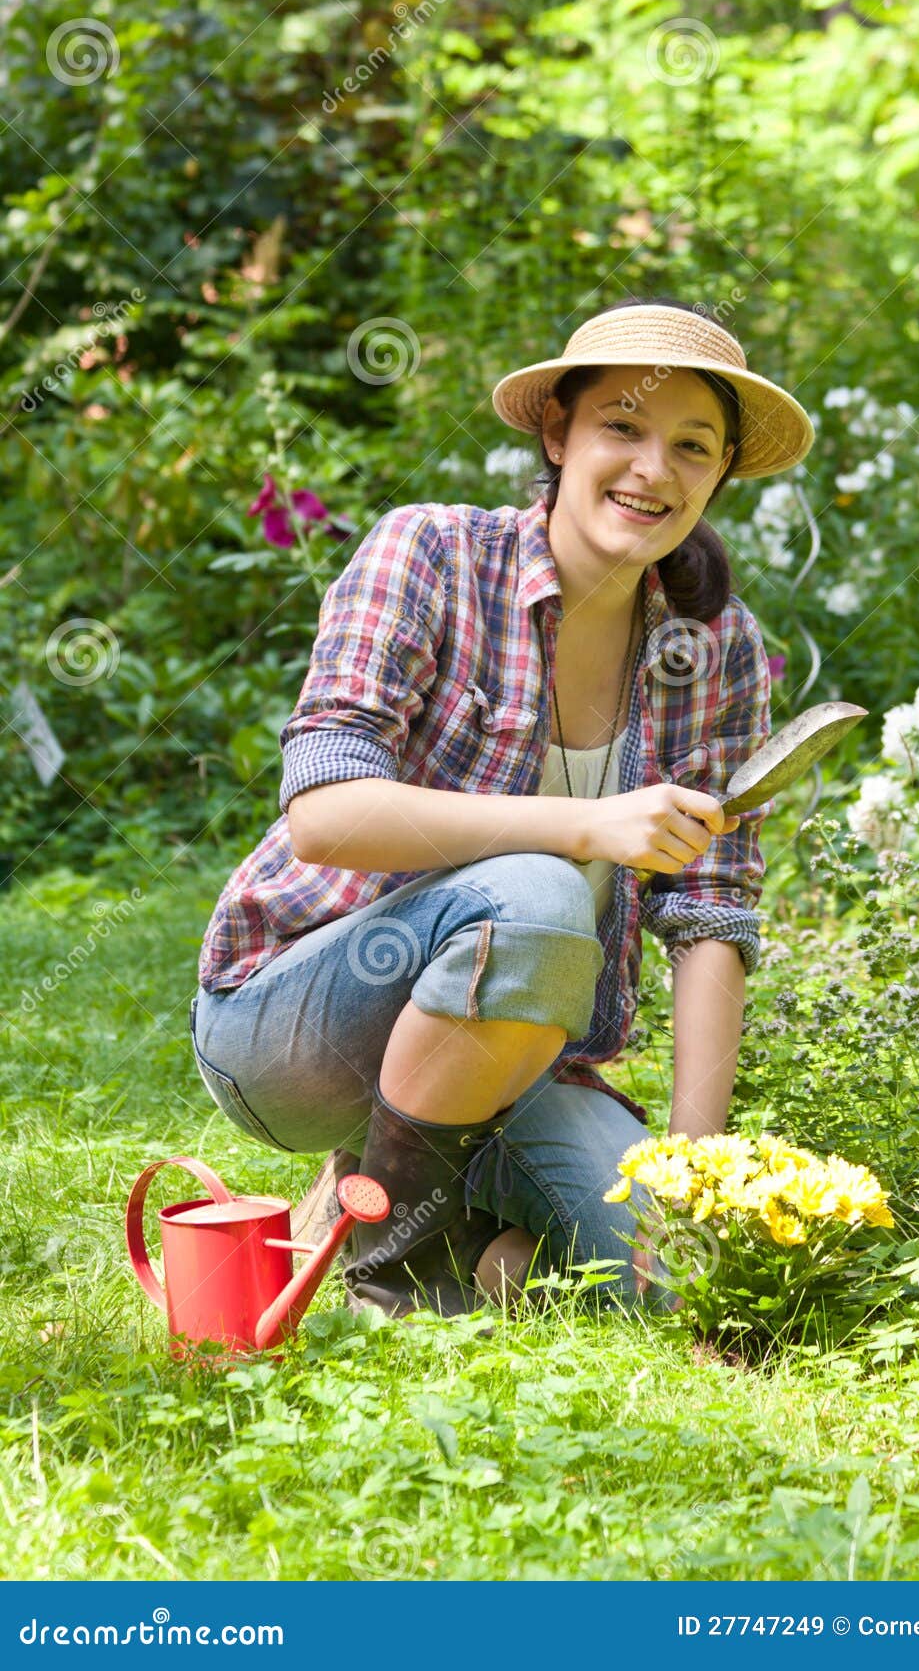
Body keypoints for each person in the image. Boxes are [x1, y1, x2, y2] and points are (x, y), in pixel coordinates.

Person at [189, 295, 814, 1319]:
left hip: (518, 1050)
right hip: (296, 1022)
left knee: (666, 1280)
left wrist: (695, 1175)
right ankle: (390, 1274)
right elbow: (325, 814)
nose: (652, 469)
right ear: (557, 432)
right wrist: (584, 826)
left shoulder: (712, 647)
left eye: (691, 447)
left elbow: (711, 910)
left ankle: (421, 1223)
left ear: (719, 474)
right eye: (621, 426)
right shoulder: (432, 552)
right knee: (535, 892)